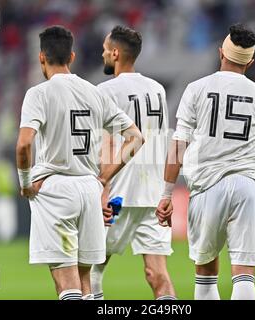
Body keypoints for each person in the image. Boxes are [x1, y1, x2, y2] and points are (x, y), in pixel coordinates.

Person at [156, 23, 255, 300]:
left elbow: (179, 144)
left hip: (207, 187)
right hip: (247, 187)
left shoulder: (196, 89)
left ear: (221, 52)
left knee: (206, 276)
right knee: (244, 274)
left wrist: (166, 193)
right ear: (251, 61)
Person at [15, 25, 143, 300]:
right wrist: (103, 179)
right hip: (88, 189)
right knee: (86, 284)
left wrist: (25, 183)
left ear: (41, 58)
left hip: (55, 189)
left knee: (67, 284)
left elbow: (24, 144)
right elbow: (135, 137)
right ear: (72, 57)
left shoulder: (38, 94)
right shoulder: (94, 92)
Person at [90, 26, 176, 300]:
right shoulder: (157, 89)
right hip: (152, 196)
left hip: (119, 194)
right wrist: (166, 193)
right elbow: (165, 139)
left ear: (115, 53)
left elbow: (108, 142)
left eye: (105, 49)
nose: (102, 53)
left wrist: (102, 189)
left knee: (91, 270)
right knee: (157, 274)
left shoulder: (104, 91)